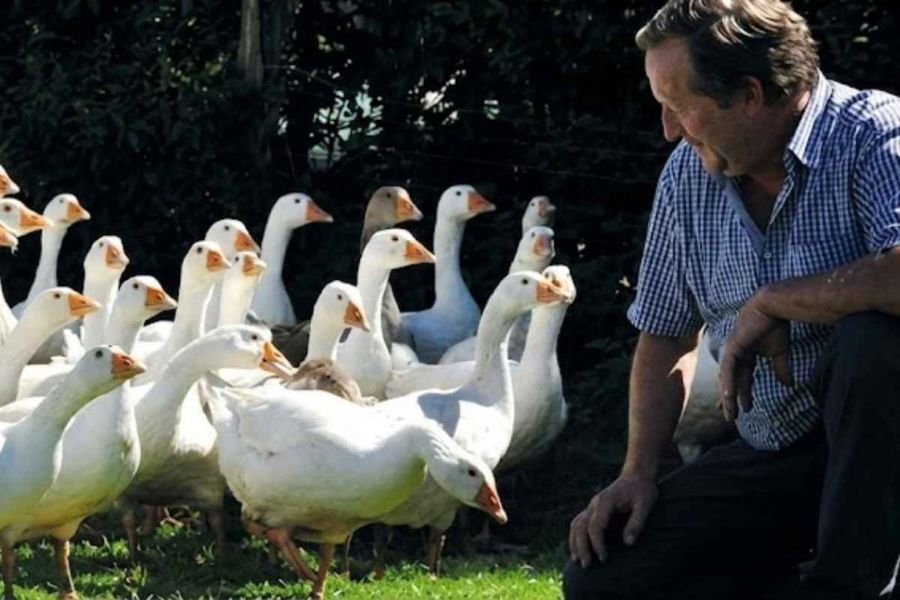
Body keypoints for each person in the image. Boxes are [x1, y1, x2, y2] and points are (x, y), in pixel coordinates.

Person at [563, 0, 900, 598]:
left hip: (884, 456)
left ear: (748, 95)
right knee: (606, 579)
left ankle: (848, 584)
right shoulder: (687, 177)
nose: (667, 128)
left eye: (679, 106)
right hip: (772, 451)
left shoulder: (876, 134)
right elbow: (665, 332)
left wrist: (776, 300)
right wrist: (637, 472)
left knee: (871, 339)